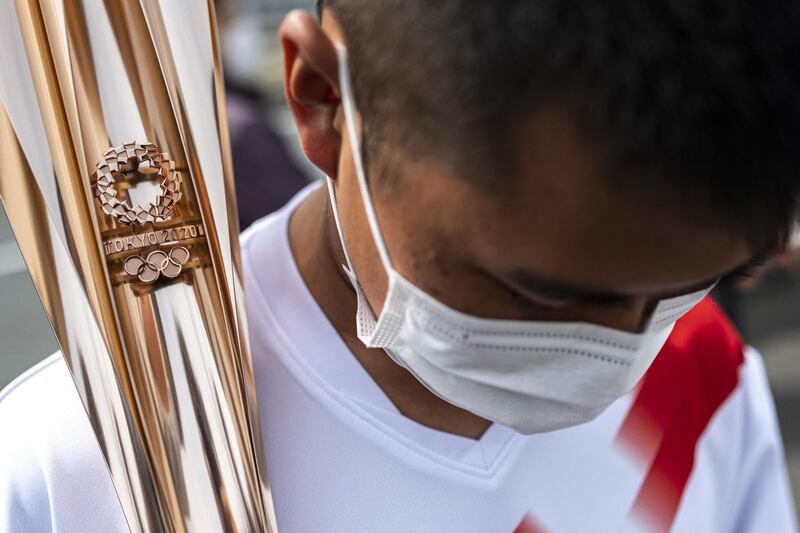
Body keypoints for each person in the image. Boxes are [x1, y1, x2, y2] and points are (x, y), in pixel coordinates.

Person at [2, 1, 800, 531]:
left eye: (699, 280)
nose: (619, 351)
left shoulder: (705, 377)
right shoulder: (67, 470)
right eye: (534, 291)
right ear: (322, 101)